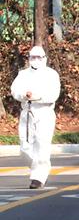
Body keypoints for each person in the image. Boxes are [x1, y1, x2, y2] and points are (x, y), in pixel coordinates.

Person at [10, 45, 61, 189]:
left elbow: (53, 94)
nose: (36, 60)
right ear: (29, 59)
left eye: (39, 57)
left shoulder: (51, 74)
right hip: (27, 111)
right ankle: (37, 167)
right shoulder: (23, 74)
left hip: (44, 112)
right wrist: (24, 95)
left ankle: (38, 177)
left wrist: (37, 97)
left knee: (42, 144)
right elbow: (15, 90)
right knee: (25, 146)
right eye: (33, 57)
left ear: (44, 58)